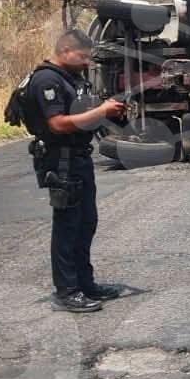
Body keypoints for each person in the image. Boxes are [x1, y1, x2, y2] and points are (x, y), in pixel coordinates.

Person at [31, 30, 128, 312]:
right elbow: (58, 124)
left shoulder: (71, 78)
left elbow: (82, 114)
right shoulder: (46, 80)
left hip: (78, 158)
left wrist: (109, 113)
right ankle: (67, 291)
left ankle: (85, 283)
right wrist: (101, 112)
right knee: (67, 226)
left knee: (86, 223)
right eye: (82, 56)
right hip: (60, 161)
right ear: (64, 50)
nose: (87, 62)